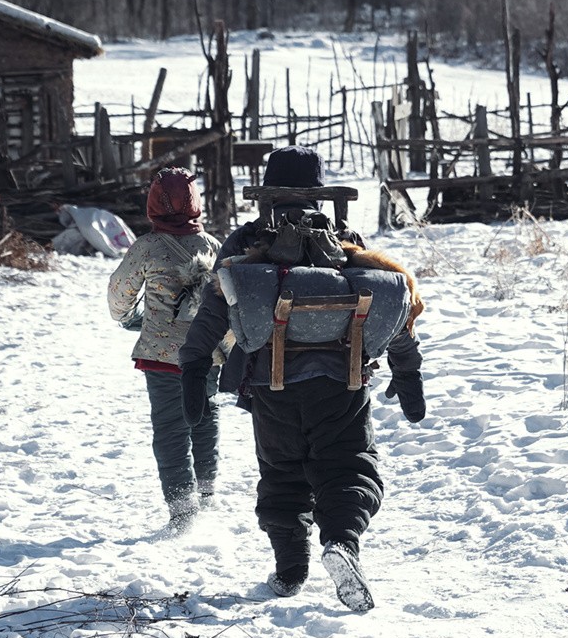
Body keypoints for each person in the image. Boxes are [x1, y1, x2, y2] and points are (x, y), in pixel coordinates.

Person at [178, 145, 425, 611]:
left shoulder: (246, 241)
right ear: (317, 192)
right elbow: (389, 301)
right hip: (343, 382)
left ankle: (291, 568)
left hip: (270, 387)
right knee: (348, 466)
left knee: (282, 472)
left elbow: (214, 307)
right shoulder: (343, 237)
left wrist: (194, 366)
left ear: (267, 193)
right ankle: (342, 543)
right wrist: (407, 369)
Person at [108, 168, 223, 532]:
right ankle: (206, 493)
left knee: (171, 427)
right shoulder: (214, 246)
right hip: (208, 351)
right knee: (204, 415)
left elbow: (119, 293)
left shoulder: (147, 247)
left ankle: (181, 509)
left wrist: (130, 317)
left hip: (162, 354)